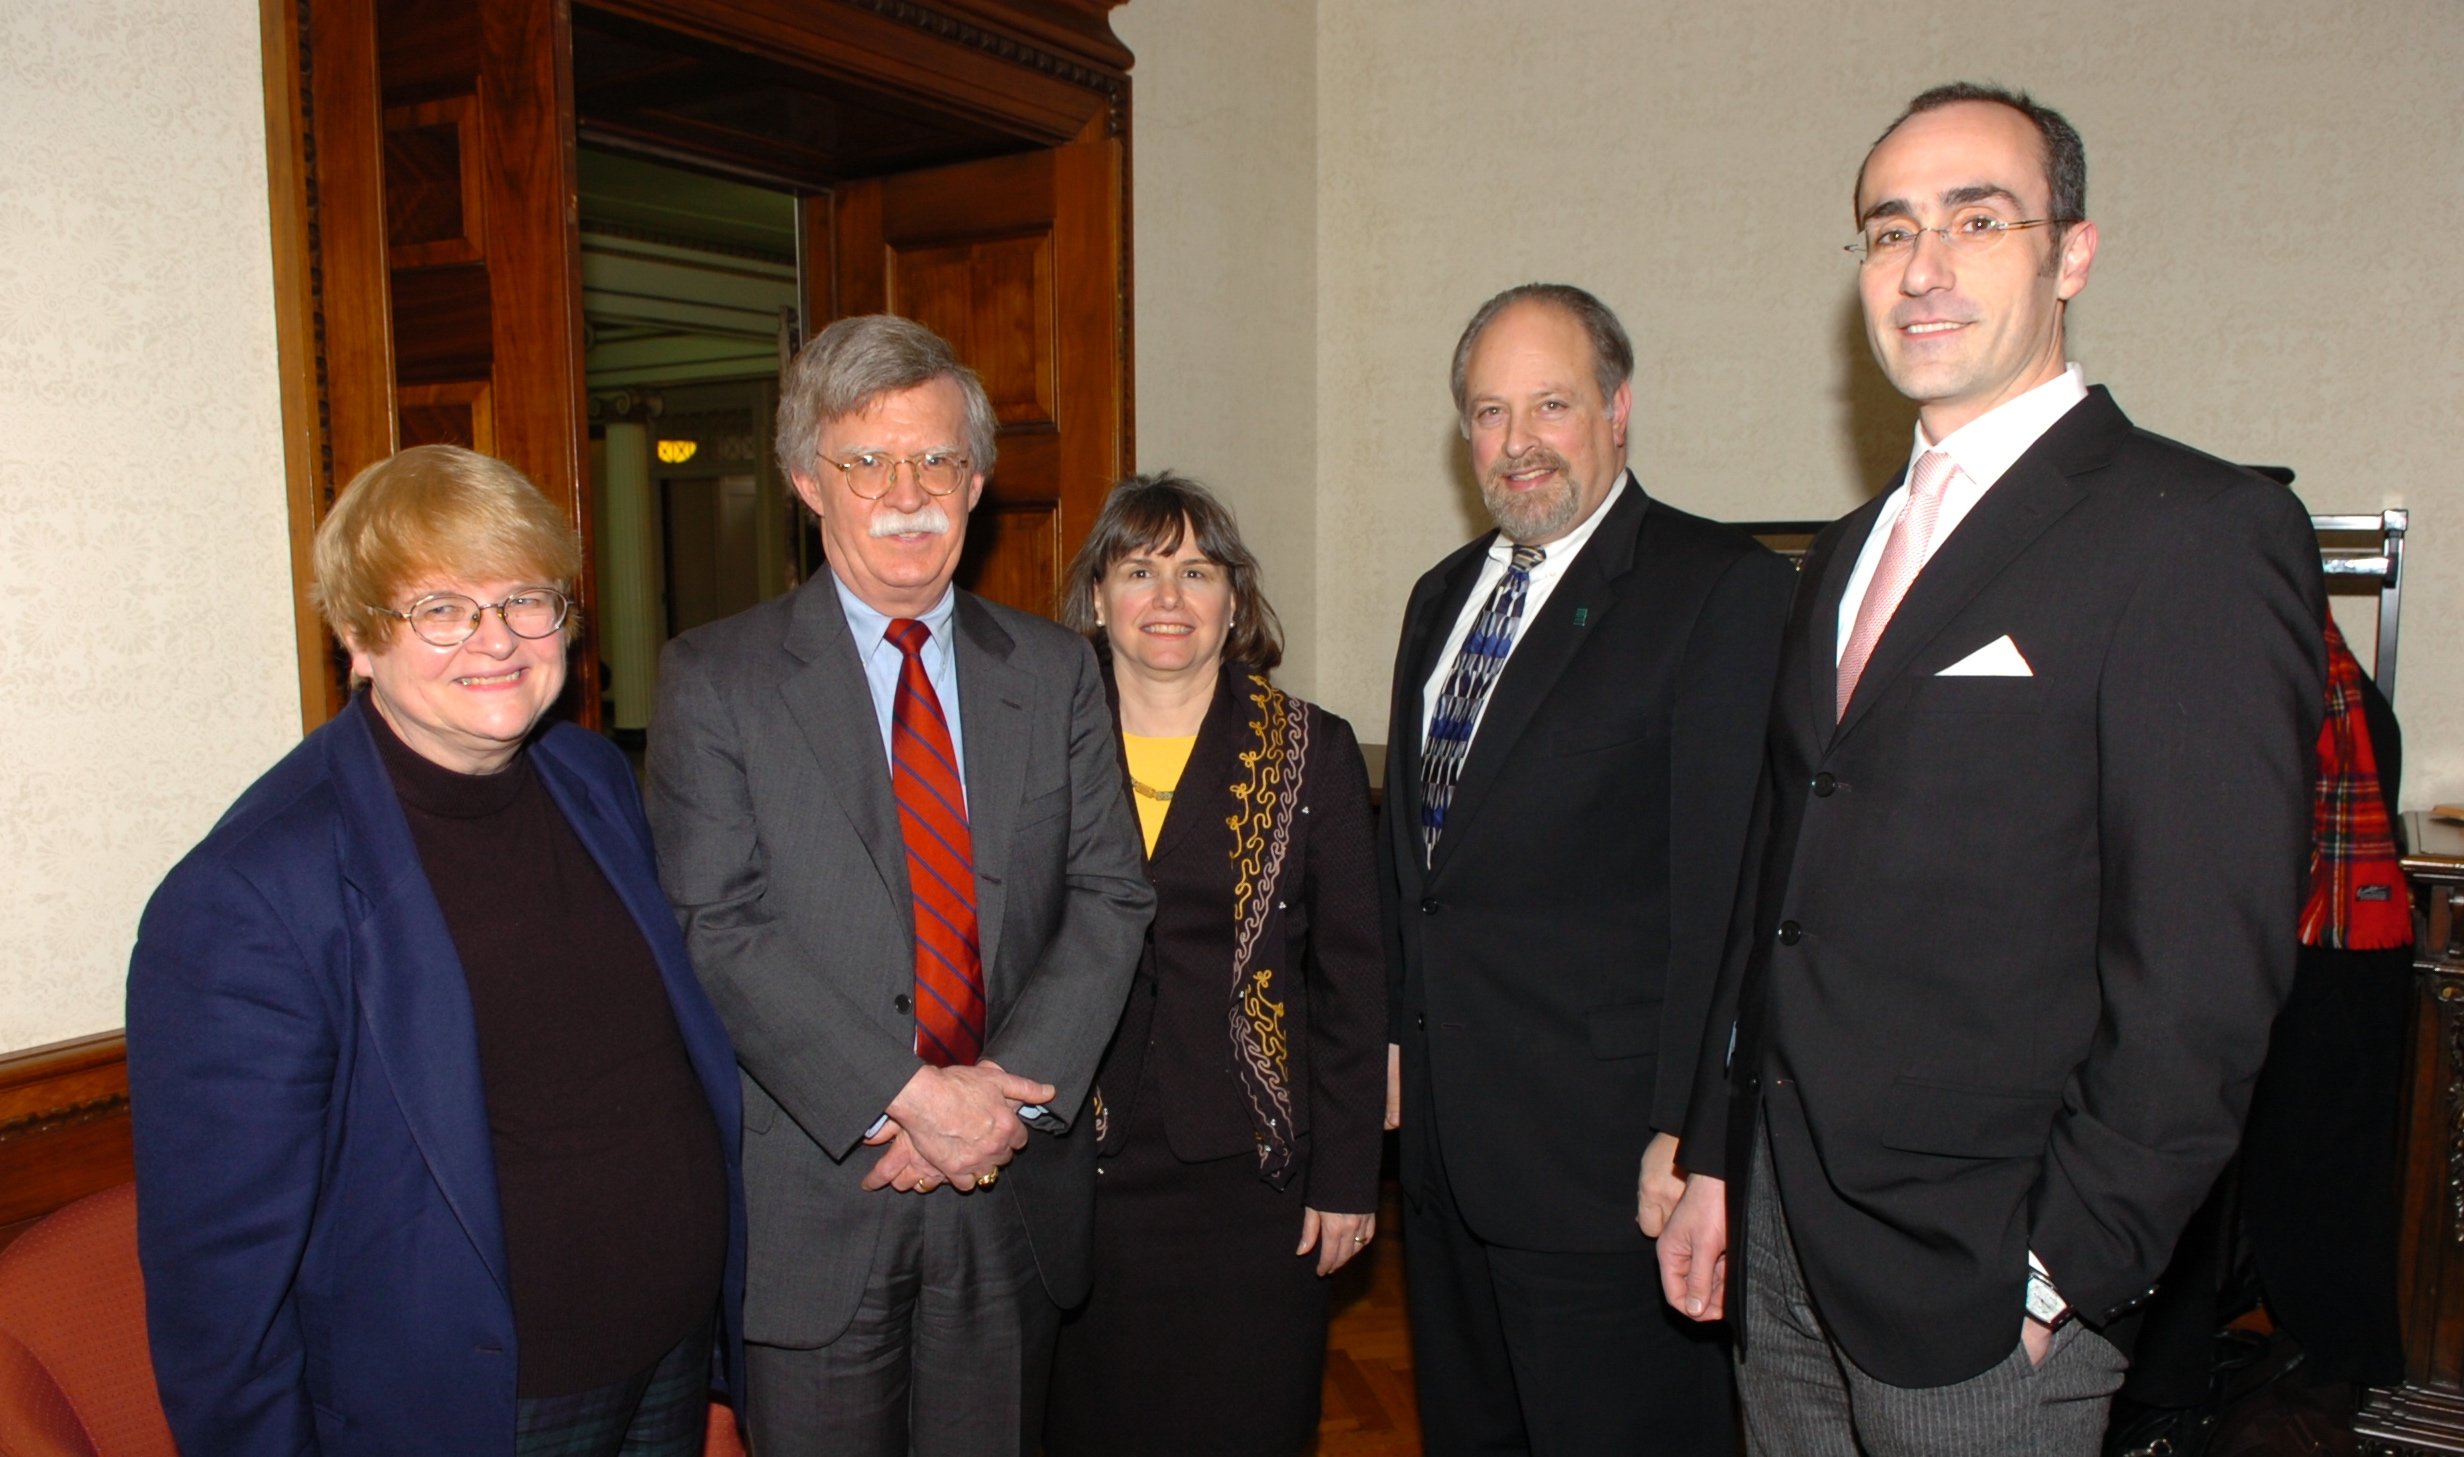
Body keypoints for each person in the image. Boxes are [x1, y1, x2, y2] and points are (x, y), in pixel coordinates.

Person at [1656, 83, 2327, 1456]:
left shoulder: (2197, 533)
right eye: (1889, 229)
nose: (1924, 267)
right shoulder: (1844, 552)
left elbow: (2203, 970)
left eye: (1978, 219)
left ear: (2071, 254)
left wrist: (2062, 1269)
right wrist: (1721, 1159)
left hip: (1988, 1278)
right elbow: (1777, 881)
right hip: (1785, 1239)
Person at [127, 444, 746, 1456]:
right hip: (473, 1410)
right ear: (359, 637)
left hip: (667, 1359)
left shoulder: (588, 775)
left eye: (526, 600)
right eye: (444, 609)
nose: (497, 640)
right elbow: (220, 1285)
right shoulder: (247, 896)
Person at [646, 313, 1152, 1454]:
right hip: (820, 1192)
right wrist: (912, 1097)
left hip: (1007, 1186)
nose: (906, 490)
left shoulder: (1058, 669)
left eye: (935, 458)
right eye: (865, 461)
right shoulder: (715, 679)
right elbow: (717, 925)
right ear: (804, 483)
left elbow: (1108, 895)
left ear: (975, 484)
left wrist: (995, 1102)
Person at [1381, 282, 1795, 1454]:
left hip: (1614, 1165)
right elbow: (1417, 865)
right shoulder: (1441, 596)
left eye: (1550, 404)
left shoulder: (1717, 588)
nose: (1517, 443)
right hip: (1450, 1156)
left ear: (1617, 410)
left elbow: (1734, 896)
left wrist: (1693, 1133)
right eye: (1487, 411)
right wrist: (1399, 1041)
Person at [1041, 474, 1387, 1455]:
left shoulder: (1307, 749)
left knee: (1247, 1420)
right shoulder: (1038, 741)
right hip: (1074, 1159)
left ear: (1233, 600)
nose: (1167, 598)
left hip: (1249, 1172)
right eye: (1139, 569)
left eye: (1196, 571)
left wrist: (1351, 1176)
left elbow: (1353, 980)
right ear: (1096, 594)